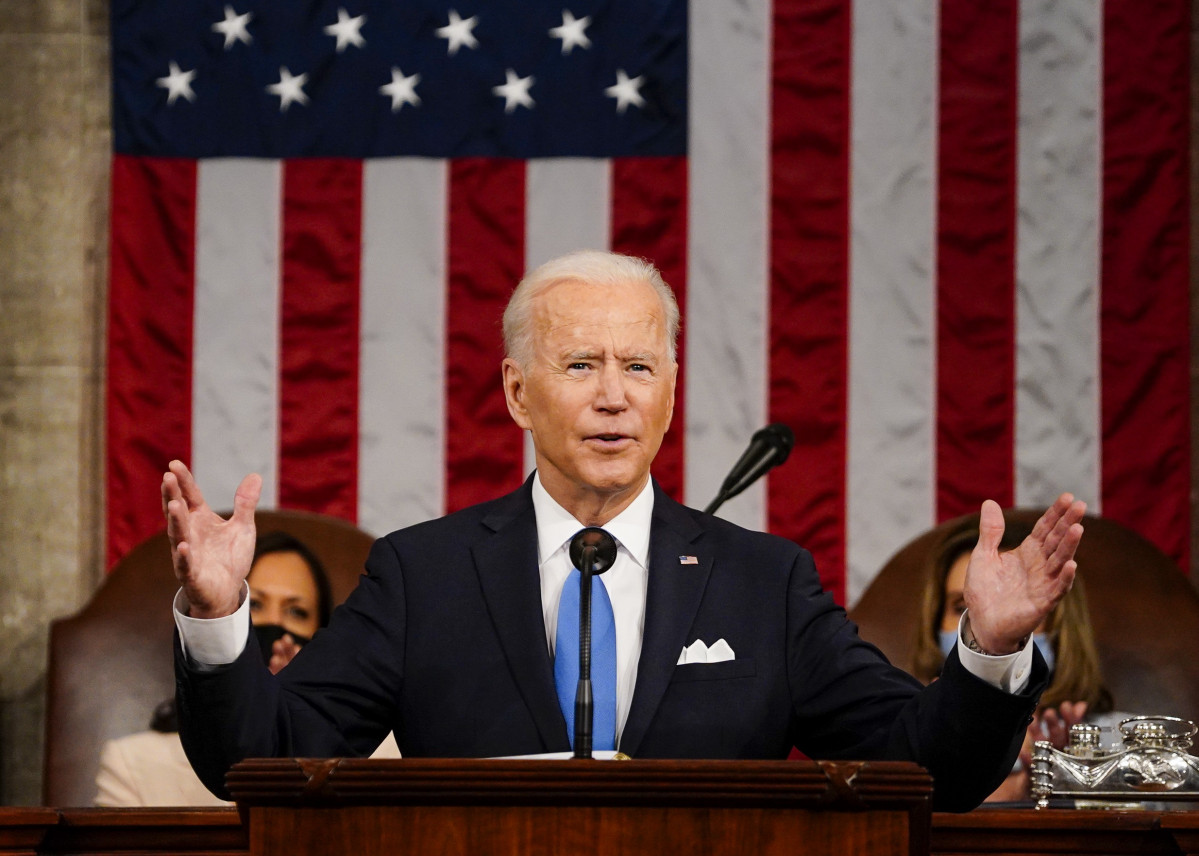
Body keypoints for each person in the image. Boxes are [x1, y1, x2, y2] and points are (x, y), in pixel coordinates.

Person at [163, 249, 1086, 812]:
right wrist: (217, 615)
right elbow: (266, 762)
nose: (613, 395)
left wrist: (989, 652)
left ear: (671, 391)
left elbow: (925, 770)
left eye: (639, 366)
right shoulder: (423, 574)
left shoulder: (763, 583)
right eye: (578, 364)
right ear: (519, 392)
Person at [94, 532, 397, 807]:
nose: (276, 626)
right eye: (255, 606)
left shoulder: (382, 758)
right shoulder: (134, 764)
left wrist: (301, 718)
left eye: (297, 612)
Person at [912, 518, 1120, 802]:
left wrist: (1072, 789)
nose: (986, 626)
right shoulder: (908, 736)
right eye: (961, 607)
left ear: (1061, 625)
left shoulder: (1121, 741)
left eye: (1010, 606)